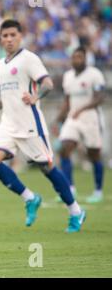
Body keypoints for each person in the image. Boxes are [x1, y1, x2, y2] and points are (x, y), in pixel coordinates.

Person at [0, 20, 86, 233]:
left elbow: (48, 84)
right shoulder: (1, 64)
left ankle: (76, 211)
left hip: (30, 124)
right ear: (0, 39)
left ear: (20, 36)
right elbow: (7, 93)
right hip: (8, 123)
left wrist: (35, 96)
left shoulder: (29, 59)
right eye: (5, 36)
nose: (9, 39)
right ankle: (30, 198)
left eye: (13, 35)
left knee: (47, 168)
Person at [54, 47, 106, 203]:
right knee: (64, 149)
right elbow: (67, 101)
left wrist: (82, 109)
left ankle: (98, 191)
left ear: (85, 58)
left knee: (93, 154)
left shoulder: (95, 74)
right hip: (73, 118)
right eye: (74, 57)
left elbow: (99, 98)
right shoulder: (68, 76)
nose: (77, 60)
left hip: (90, 118)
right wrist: (58, 119)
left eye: (80, 57)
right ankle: (70, 189)